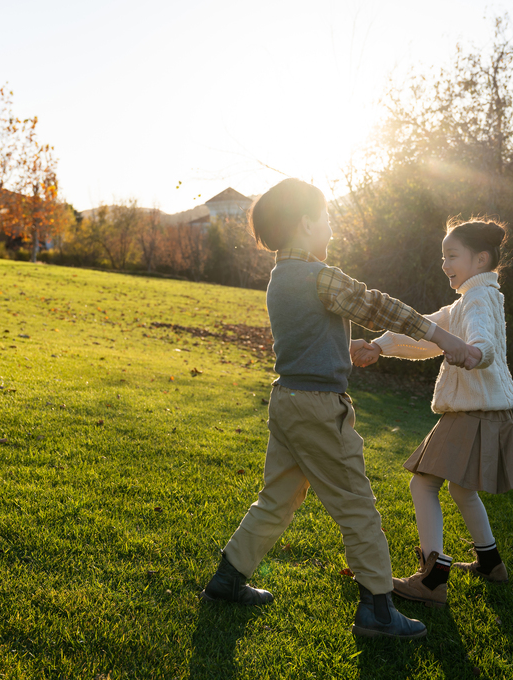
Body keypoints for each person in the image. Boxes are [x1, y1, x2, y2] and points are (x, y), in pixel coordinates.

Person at [201, 179, 479, 639]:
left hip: (286, 399)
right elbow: (378, 306)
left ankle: (228, 579)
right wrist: (443, 337)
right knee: (357, 506)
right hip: (318, 408)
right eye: (326, 218)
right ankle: (378, 610)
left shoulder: (280, 278)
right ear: (307, 223)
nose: (330, 226)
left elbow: (304, 334)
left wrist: (340, 346)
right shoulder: (321, 276)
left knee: (277, 497)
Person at [351, 218, 513, 608]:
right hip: (488, 413)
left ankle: (431, 581)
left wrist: (477, 353)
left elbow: (484, 340)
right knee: (462, 490)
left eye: (451, 256)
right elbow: (427, 332)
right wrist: (380, 345)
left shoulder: (477, 302)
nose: (444, 264)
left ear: (480, 259)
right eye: (442, 256)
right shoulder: (475, 299)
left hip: (472, 413)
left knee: (423, 484)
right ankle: (491, 561)